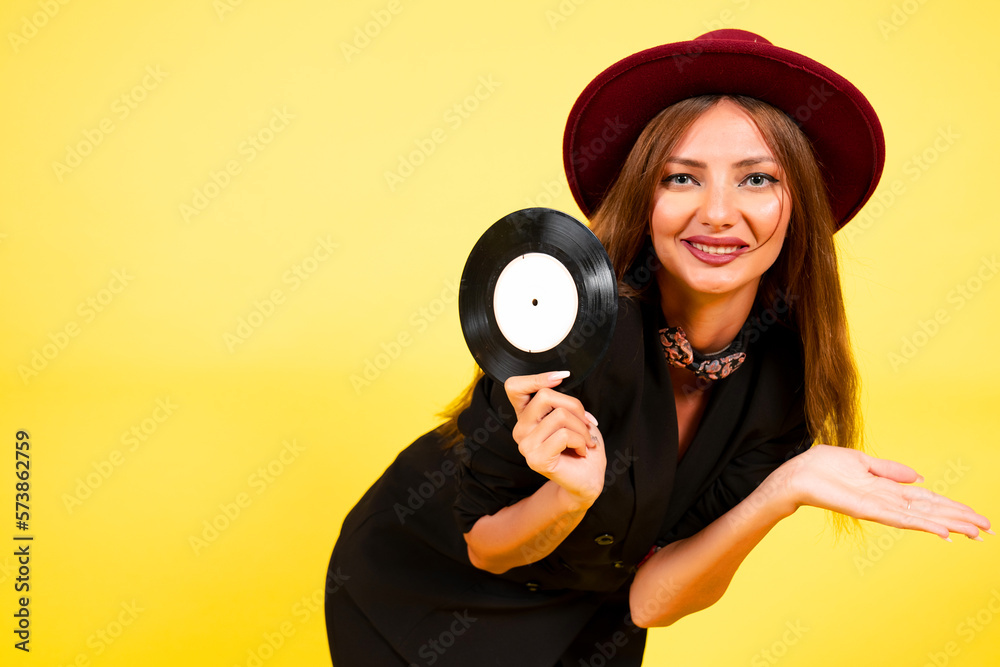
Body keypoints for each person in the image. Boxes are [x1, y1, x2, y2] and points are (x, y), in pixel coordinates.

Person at [324, 30, 991, 666]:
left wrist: (785, 487)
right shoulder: (569, 319)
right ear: (646, 197)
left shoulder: (784, 379)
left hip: (592, 614)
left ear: (799, 205)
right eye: (682, 177)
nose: (720, 212)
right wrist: (567, 497)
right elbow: (488, 551)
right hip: (420, 589)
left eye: (757, 178)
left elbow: (650, 599)